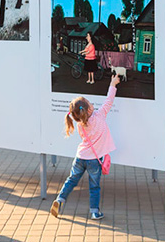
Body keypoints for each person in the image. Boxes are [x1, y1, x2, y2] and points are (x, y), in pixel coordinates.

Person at [50, 74, 120, 220]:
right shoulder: (99, 116)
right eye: (89, 102)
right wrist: (113, 83)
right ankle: (95, 212)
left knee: (71, 179)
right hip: (94, 160)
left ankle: (59, 199)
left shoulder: (80, 124)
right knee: (94, 186)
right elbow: (109, 100)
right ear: (88, 109)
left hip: (80, 157)